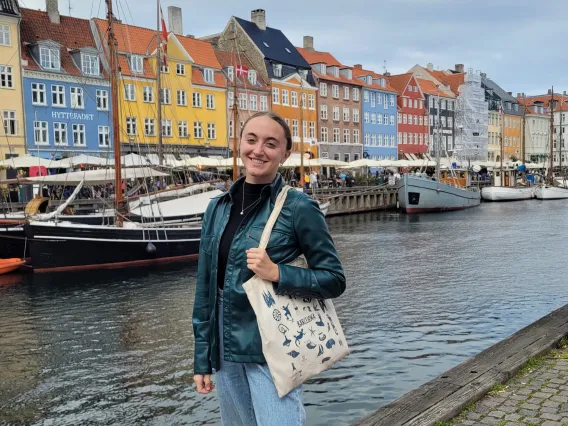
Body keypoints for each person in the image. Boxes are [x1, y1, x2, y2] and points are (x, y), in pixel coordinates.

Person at [192, 112, 346, 426]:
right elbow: (206, 289)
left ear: (284, 154)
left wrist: (278, 273)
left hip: (271, 340)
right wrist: (202, 358)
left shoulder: (299, 207)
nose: (258, 150)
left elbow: (334, 279)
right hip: (224, 343)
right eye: (251, 140)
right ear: (240, 144)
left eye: (270, 143)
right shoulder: (217, 208)